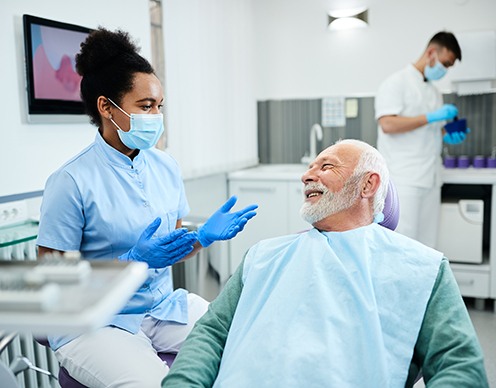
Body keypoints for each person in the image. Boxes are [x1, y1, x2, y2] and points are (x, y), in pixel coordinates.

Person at [162, 139, 488, 387]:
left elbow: (458, 365)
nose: (307, 175)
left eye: (326, 167)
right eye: (310, 167)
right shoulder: (263, 256)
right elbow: (212, 333)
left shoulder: (422, 268)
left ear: (368, 184)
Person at [36, 28, 257, 387]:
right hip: (96, 322)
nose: (156, 115)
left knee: (250, 339)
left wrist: (200, 237)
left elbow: (168, 248)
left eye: (159, 106)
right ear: (106, 107)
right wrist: (130, 264)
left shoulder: (165, 166)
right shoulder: (70, 181)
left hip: (161, 308)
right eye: (145, 106)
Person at [375, 31, 467, 248]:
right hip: (405, 178)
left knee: (427, 247)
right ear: (431, 53)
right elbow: (388, 124)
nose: (445, 70)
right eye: (445, 63)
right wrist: (431, 117)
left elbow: (429, 130)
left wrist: (448, 134)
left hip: (431, 178)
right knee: (403, 244)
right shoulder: (395, 83)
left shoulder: (435, 92)